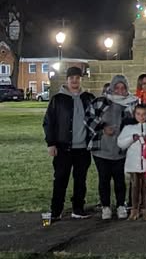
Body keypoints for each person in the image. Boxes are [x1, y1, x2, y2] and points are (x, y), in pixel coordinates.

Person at [43, 65, 95, 222]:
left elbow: (95, 120)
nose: (74, 81)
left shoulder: (88, 98)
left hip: (83, 148)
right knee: (60, 179)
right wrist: (51, 143)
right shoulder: (58, 99)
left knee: (80, 181)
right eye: (72, 78)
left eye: (77, 78)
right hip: (63, 147)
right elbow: (48, 122)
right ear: (67, 80)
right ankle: (56, 210)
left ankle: (78, 209)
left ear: (81, 79)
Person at [86, 74, 138, 220]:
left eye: (123, 88)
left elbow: (138, 121)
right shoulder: (101, 101)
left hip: (121, 149)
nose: (120, 91)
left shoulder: (132, 103)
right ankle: (106, 206)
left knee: (120, 179)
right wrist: (102, 128)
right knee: (104, 179)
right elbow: (88, 118)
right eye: (117, 87)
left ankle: (121, 205)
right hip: (101, 148)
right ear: (112, 88)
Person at [117, 103, 146, 220]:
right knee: (135, 186)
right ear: (134, 115)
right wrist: (131, 138)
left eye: (144, 114)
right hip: (133, 164)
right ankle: (134, 209)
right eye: (138, 114)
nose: (141, 116)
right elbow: (120, 143)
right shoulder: (128, 129)